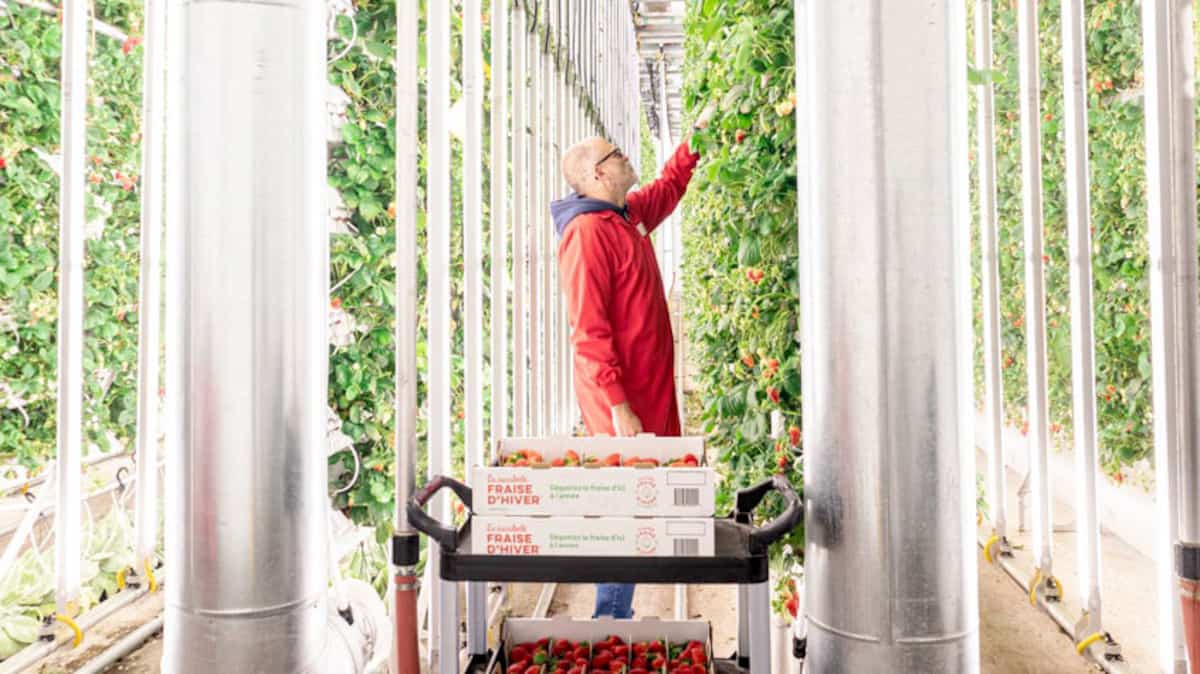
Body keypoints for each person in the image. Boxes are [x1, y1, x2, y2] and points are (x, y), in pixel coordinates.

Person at [550, 120, 705, 619]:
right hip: (624, 398)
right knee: (626, 506)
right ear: (597, 174)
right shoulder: (587, 235)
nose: (625, 157)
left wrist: (696, 139)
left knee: (641, 497)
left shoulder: (623, 216)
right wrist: (619, 407)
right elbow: (589, 331)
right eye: (616, 154)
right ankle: (609, 619)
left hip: (646, 388)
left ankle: (616, 615)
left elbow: (667, 188)